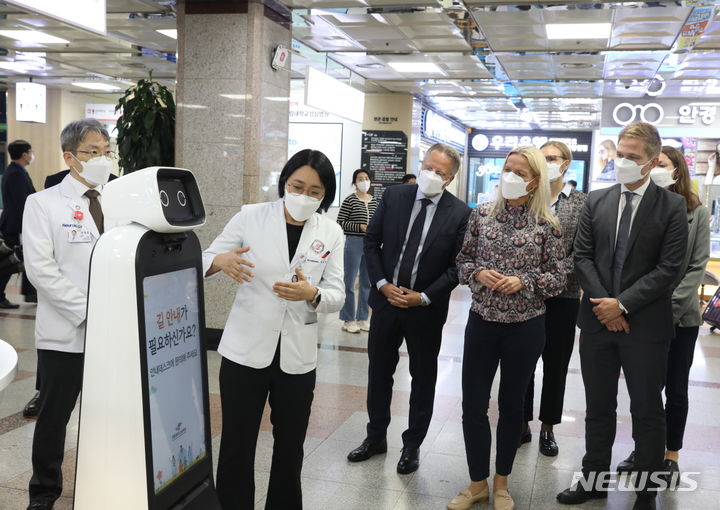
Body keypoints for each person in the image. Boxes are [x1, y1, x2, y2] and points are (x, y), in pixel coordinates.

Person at [203, 149, 345, 510]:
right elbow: (202, 258)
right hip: (245, 351)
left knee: (290, 447)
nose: (304, 195)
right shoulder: (251, 217)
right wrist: (221, 260)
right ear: (284, 183)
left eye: (315, 191)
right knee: (237, 444)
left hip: (297, 356)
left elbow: (337, 295)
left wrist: (311, 293)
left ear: (325, 195)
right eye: (297, 186)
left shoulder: (330, 231)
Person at [558, 123, 688, 510]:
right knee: (598, 406)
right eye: (621, 154)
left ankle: (646, 491)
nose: (624, 162)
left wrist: (624, 304)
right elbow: (581, 256)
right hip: (598, 322)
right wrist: (606, 305)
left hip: (646, 326)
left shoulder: (672, 206)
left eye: (633, 157)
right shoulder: (595, 201)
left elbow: (669, 268)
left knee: (647, 409)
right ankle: (593, 477)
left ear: (650, 162)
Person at [449, 146, 566, 510]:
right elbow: (463, 260)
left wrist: (524, 281)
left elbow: (558, 277)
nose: (510, 176)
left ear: (534, 181)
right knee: (473, 404)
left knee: (512, 405)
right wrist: (478, 273)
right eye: (507, 169)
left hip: (525, 327)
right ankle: (476, 483)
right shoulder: (481, 214)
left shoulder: (548, 224)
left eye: (520, 172)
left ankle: (502, 482)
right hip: (482, 321)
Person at [346, 142, 471, 474]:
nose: (430, 174)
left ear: (451, 178)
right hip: (386, 302)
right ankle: (375, 437)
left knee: (423, 377)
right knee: (379, 373)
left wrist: (424, 297)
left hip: (424, 310)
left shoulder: (459, 213)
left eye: (439, 172)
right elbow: (372, 242)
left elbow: (458, 266)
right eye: (427, 167)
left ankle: (412, 445)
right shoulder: (394, 196)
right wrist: (382, 284)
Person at [23, 119, 113, 510]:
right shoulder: (43, 204)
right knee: (54, 417)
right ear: (69, 157)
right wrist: (89, 312)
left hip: (113, 332)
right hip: (66, 332)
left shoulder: (118, 199)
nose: (101, 159)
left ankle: (104, 489)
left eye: (106, 151)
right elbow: (41, 270)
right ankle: (44, 493)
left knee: (107, 413)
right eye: (92, 152)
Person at [616, 146, 710, 487]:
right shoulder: (642, 207)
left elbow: (696, 266)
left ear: (675, 170)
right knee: (645, 389)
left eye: (665, 165)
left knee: (676, 389)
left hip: (679, 318)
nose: (657, 170)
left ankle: (670, 455)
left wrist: (665, 308)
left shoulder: (695, 211)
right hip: (642, 315)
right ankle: (643, 451)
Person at [522, 141, 586, 457]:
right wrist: (531, 279)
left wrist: (552, 276)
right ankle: (521, 421)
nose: (546, 163)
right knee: (522, 361)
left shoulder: (582, 204)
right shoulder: (525, 198)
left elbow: (583, 251)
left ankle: (548, 426)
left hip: (565, 296)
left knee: (556, 363)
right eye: (542, 158)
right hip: (527, 295)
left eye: (552, 158)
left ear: (566, 163)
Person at [336, 169, 378, 333]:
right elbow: (340, 222)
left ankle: (362, 318)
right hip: (353, 242)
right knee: (349, 281)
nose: (364, 181)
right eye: (360, 178)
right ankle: (348, 319)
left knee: (367, 283)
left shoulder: (375, 201)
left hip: (370, 244)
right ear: (355, 182)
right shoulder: (350, 200)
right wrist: (359, 227)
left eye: (366, 178)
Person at [0, 139, 37, 308]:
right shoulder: (16, 173)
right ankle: (1, 297)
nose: (31, 156)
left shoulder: (15, 170)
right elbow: (22, 202)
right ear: (24, 155)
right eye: (30, 152)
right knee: (9, 264)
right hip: (15, 226)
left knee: (10, 263)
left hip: (13, 223)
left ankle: (27, 294)